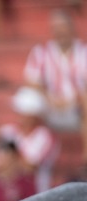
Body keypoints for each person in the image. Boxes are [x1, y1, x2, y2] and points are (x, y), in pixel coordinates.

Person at [23, 9, 87, 139]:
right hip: (50, 106)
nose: (60, 31)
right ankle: (29, 145)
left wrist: (74, 99)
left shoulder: (84, 52)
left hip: (77, 108)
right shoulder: (41, 52)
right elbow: (30, 79)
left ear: (72, 28)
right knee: (27, 99)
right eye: (56, 27)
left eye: (63, 27)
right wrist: (49, 97)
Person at [0, 87, 57, 194]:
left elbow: (29, 167)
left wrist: (10, 155)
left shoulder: (45, 136)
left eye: (21, 112)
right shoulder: (8, 131)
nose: (18, 116)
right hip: (8, 194)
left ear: (32, 116)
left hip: (35, 192)